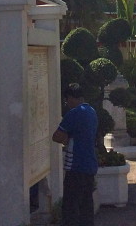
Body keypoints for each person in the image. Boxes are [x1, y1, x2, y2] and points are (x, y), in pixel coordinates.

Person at [52, 82, 98, 226]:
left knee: (70, 207)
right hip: (90, 165)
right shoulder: (92, 111)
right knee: (86, 206)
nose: (67, 103)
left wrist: (67, 138)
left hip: (76, 165)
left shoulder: (74, 113)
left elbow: (57, 136)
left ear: (71, 98)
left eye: (67, 100)